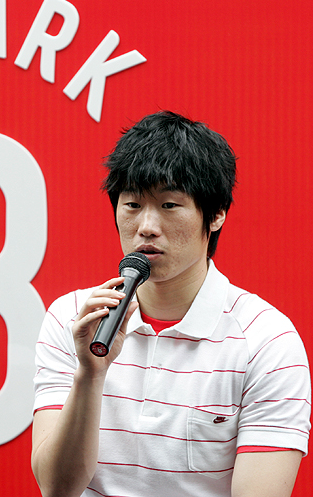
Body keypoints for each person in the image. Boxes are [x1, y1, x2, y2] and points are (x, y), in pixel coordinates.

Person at [31, 111, 311, 497]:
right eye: (132, 204)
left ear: (216, 215)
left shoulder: (267, 340)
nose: (146, 226)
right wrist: (90, 374)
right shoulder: (74, 319)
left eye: (169, 205)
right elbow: (56, 488)